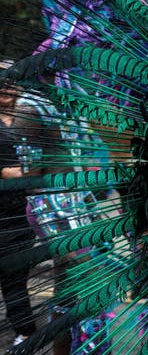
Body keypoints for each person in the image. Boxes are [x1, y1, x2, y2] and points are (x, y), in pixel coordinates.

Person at [0, 80, 38, 348]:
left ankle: (26, 332)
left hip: (24, 215)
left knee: (15, 279)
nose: (6, 89)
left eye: (11, 84)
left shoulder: (29, 118)